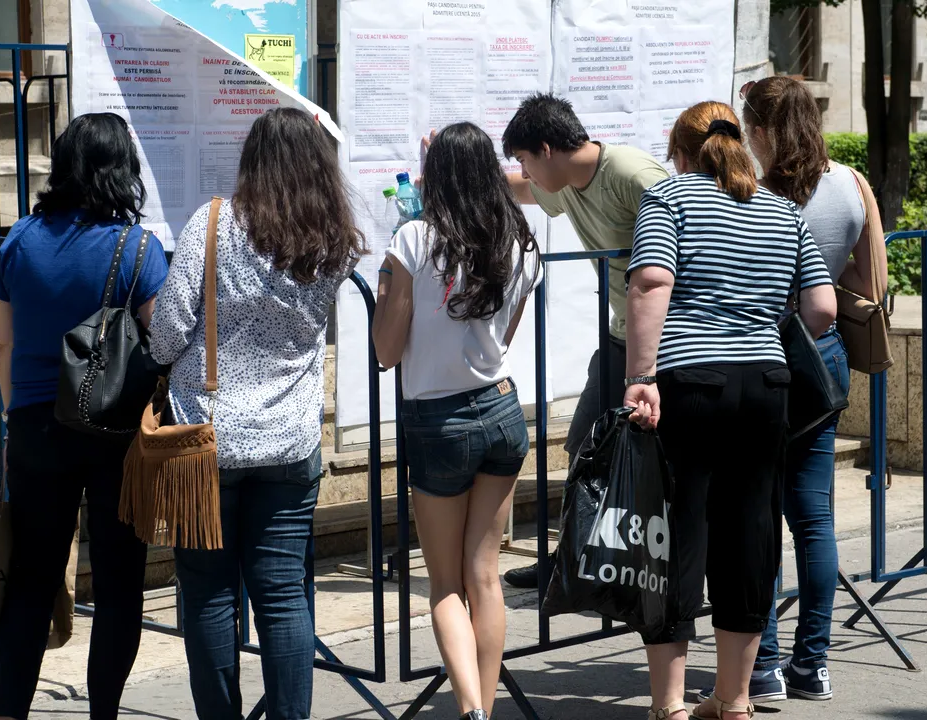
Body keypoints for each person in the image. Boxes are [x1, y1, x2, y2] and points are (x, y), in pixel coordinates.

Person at [147, 107, 364, 720]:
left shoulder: (213, 225)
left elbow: (167, 334)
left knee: (211, 595)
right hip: (290, 443)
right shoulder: (331, 241)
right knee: (283, 596)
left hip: (207, 441)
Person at [623, 101, 838, 720]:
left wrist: (640, 377)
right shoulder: (782, 210)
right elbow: (820, 307)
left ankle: (668, 703)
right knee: (750, 535)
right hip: (766, 386)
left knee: (674, 535)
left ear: (683, 153)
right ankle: (735, 700)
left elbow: (650, 283)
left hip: (689, 383)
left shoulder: (671, 199)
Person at [691, 76, 890, 705]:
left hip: (760, 355)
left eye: (751, 123)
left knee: (754, 512)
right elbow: (873, 282)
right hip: (823, 358)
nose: (747, 133)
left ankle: (765, 663)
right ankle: (815, 663)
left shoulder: (751, 190)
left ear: (766, 128)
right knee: (814, 516)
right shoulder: (853, 183)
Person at [0, 112, 169, 720]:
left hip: (37, 426)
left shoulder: (17, 241)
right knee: (119, 581)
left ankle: (10, 711)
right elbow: (163, 342)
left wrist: (18, 415)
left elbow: (5, 345)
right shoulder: (138, 249)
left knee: (33, 579)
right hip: (116, 432)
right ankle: (104, 716)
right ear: (122, 169)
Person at [373, 121, 542, 720]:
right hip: (501, 409)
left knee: (445, 583)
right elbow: (508, 336)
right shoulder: (519, 240)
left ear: (436, 178)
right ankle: (486, 710)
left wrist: (389, 281)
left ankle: (470, 709)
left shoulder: (415, 238)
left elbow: (386, 351)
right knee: (486, 576)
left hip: (438, 422)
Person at [497, 93, 670, 589]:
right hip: (618, 336)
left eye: (527, 160)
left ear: (547, 149)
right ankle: (572, 560)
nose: (525, 172)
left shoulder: (634, 175)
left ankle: (664, 571)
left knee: (662, 460)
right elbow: (524, 191)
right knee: (584, 447)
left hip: (665, 343)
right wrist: (454, 175)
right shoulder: (565, 180)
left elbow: (692, 241)